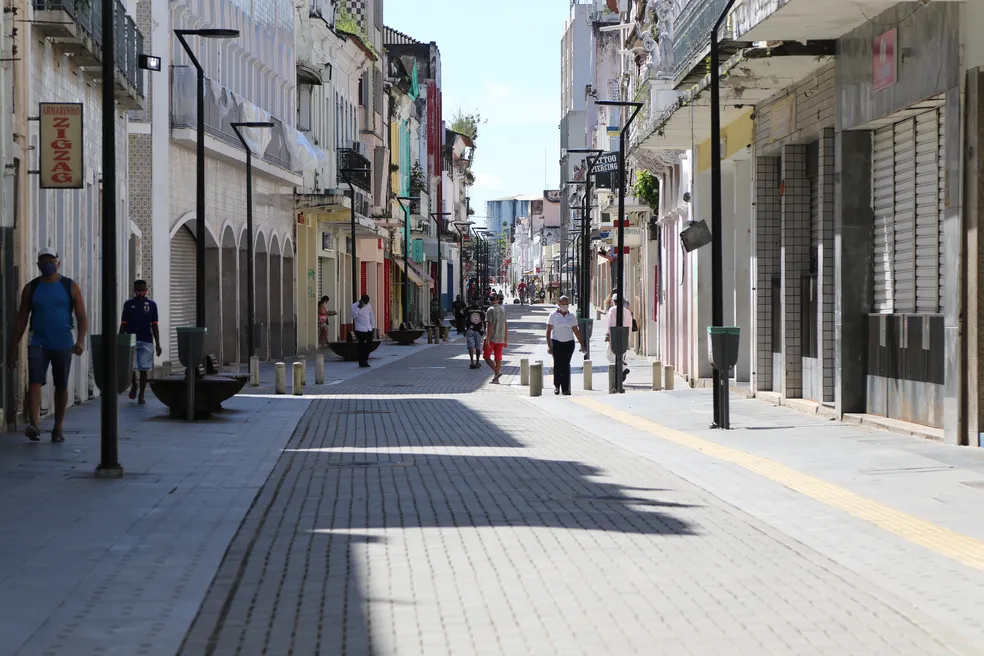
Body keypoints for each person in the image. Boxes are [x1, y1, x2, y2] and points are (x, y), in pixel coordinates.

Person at [7, 247, 87, 442]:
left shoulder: (70, 286)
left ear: (58, 262)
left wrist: (80, 341)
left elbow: (81, 315)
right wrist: (12, 348)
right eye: (43, 260)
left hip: (63, 343)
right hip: (38, 342)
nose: (47, 264)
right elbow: (22, 318)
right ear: (38, 264)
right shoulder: (31, 288)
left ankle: (58, 427)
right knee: (34, 381)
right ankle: (34, 424)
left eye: (50, 260)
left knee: (61, 385)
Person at [119, 280, 162, 404]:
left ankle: (141, 395)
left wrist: (157, 343)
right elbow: (123, 324)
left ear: (146, 290)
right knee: (131, 367)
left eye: (142, 290)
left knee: (143, 368)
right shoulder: (128, 304)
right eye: (138, 290)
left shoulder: (152, 305)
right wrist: (120, 340)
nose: (140, 292)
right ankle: (134, 385)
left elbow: (154, 326)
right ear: (134, 290)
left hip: (146, 339)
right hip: (131, 340)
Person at [546, 295, 585, 395]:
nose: (565, 306)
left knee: (566, 365)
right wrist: (549, 345)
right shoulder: (553, 315)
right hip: (556, 342)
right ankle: (556, 386)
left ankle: (565, 388)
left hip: (569, 343)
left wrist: (582, 344)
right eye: (563, 304)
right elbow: (548, 331)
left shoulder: (571, 316)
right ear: (559, 304)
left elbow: (576, 331)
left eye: (567, 304)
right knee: (558, 364)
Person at [605, 294, 634, 384]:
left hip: (615, 335)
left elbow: (610, 323)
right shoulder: (627, 312)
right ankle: (620, 373)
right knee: (621, 354)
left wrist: (608, 334)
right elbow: (630, 325)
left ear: (613, 302)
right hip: (625, 336)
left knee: (609, 354)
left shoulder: (612, 310)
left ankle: (623, 369)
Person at [483, 293, 508, 383]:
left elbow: (490, 324)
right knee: (498, 357)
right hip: (501, 337)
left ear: (490, 300)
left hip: (492, 337)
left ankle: (497, 372)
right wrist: (505, 339)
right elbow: (505, 325)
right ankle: (496, 378)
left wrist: (488, 338)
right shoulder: (502, 310)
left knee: (486, 356)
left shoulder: (490, 310)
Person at [352, 294, 375, 368]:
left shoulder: (368, 305)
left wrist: (372, 326)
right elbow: (353, 316)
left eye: (368, 301)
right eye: (365, 301)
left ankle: (365, 359)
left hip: (368, 328)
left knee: (369, 345)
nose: (367, 303)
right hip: (360, 329)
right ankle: (362, 361)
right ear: (361, 300)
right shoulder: (355, 306)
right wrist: (358, 308)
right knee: (361, 346)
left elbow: (371, 315)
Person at [463, 299, 485, 369]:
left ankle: (472, 362)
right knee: (478, 346)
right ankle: (477, 362)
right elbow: (483, 320)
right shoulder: (481, 309)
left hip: (470, 328)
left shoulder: (467, 309)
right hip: (478, 329)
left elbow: (463, 319)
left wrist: (463, 329)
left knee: (470, 345)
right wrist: (484, 330)